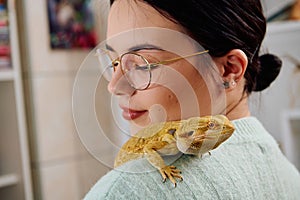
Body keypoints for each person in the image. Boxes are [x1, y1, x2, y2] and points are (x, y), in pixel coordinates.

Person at [84, 0, 300, 199]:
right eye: (114, 62)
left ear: (229, 69)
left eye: (143, 65)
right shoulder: (289, 176)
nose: (114, 86)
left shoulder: (125, 191)